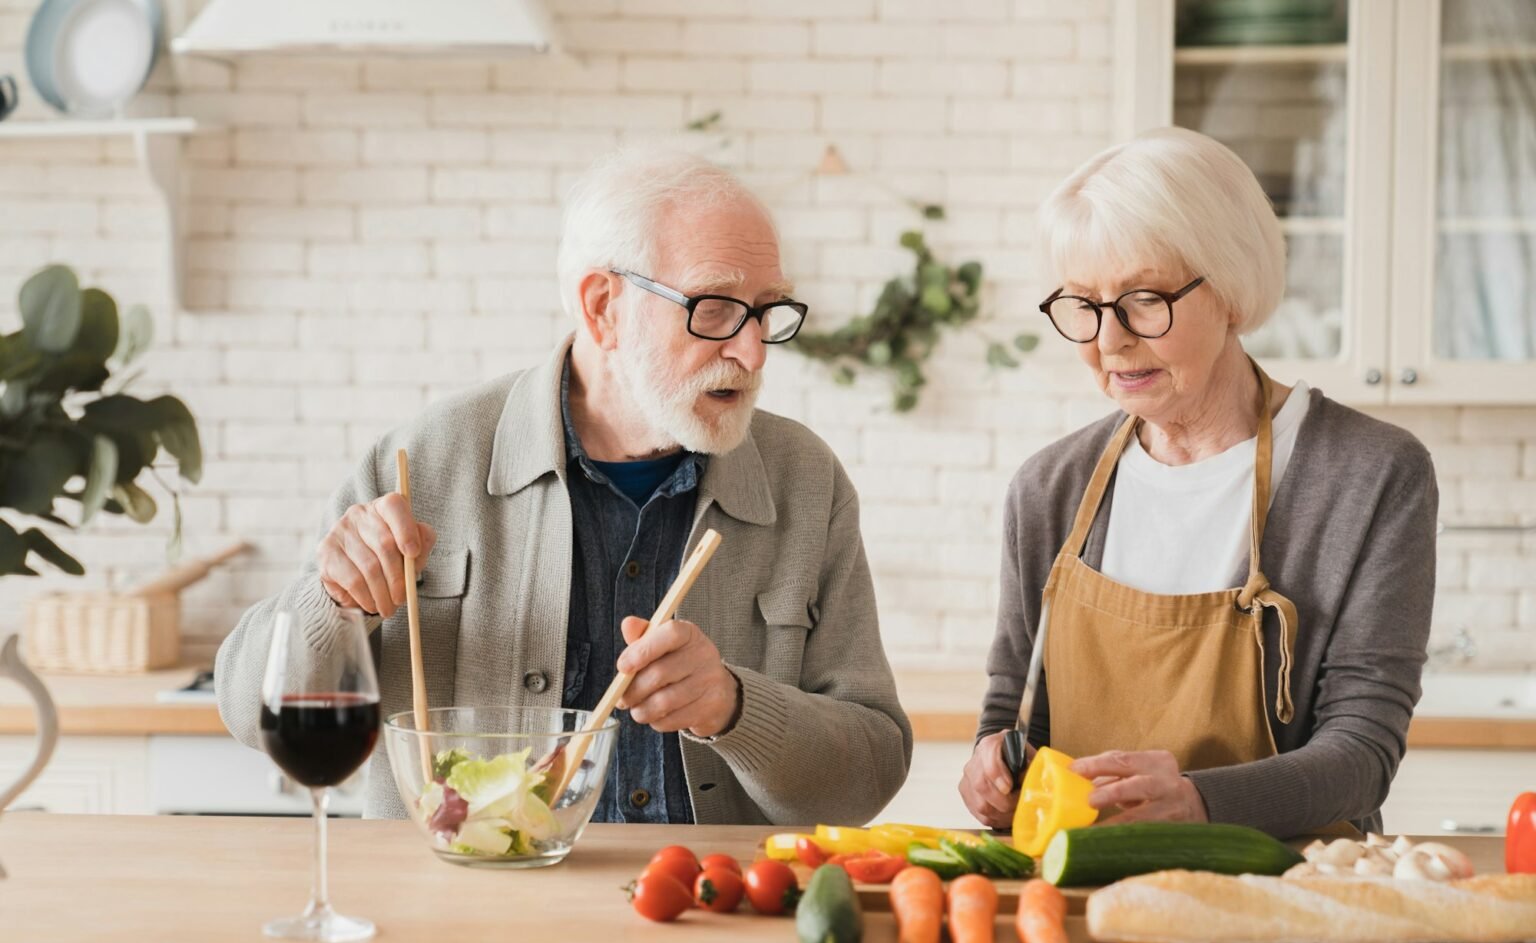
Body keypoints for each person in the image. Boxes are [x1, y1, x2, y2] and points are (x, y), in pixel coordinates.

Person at [216, 149, 912, 824]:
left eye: (766, 310)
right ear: (603, 306)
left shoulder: (806, 480)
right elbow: (247, 713)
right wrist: (330, 599)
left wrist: (734, 707)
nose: (753, 349)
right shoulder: (422, 461)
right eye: (716, 308)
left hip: (711, 918)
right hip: (463, 923)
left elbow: (872, 774)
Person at [960, 127, 1437, 838]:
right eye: (1083, 305)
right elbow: (1014, 706)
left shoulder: (1372, 474)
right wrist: (990, 764)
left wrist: (1200, 801)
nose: (1109, 340)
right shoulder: (1050, 488)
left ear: (1231, 290)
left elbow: (1361, 754)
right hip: (1077, 895)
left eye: (1144, 299)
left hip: (1288, 899)